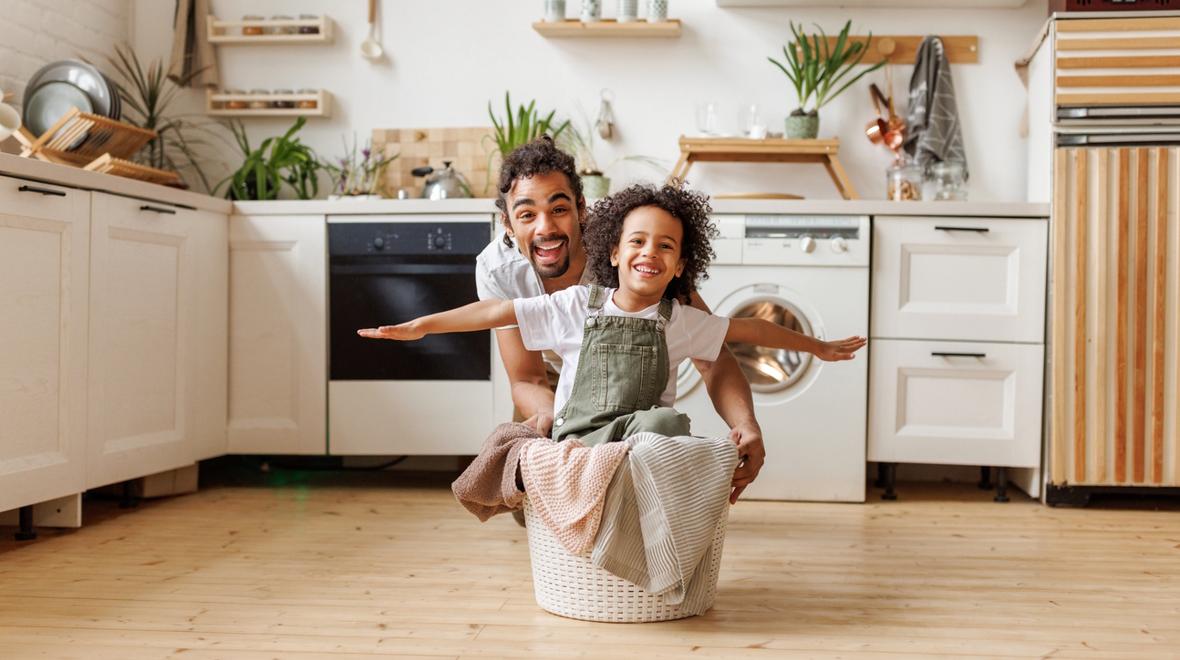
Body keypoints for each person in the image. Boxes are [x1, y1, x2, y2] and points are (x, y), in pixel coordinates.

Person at [358, 182, 866, 450]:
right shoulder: (577, 305)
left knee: (669, 422)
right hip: (579, 436)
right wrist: (424, 325)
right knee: (536, 443)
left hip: (640, 443)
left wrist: (817, 347)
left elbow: (750, 329)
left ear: (680, 266)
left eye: (665, 246)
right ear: (615, 253)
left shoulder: (680, 318)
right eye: (638, 242)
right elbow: (495, 312)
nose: (650, 252)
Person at [465, 137, 765, 504]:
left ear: (581, 208)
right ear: (508, 223)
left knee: (629, 491)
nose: (545, 228)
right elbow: (527, 379)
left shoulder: (631, 246)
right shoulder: (498, 269)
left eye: (559, 209)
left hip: (630, 384)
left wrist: (745, 424)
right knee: (535, 496)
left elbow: (713, 359)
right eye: (527, 214)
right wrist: (560, 428)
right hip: (553, 383)